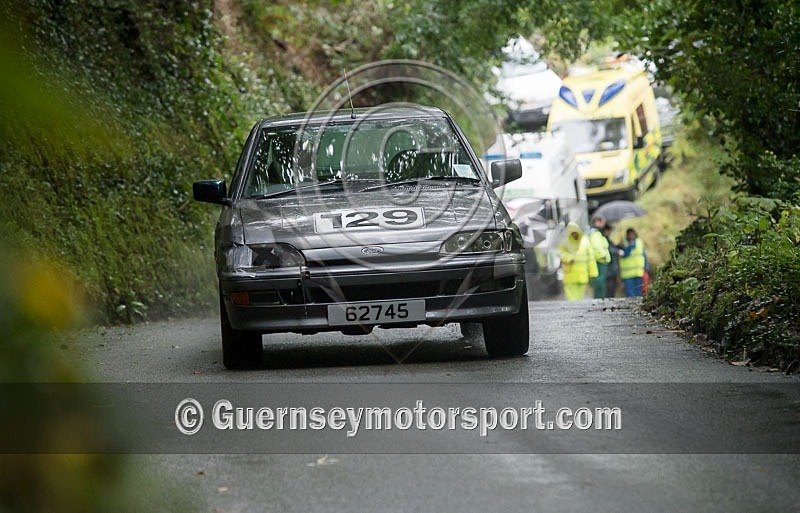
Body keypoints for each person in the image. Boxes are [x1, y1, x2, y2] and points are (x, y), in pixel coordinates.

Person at [557, 222, 598, 300]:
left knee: (579, 298)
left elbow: (591, 258)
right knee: (571, 298)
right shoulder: (565, 242)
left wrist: (593, 273)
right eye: (572, 233)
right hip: (570, 276)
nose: (574, 235)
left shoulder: (585, 241)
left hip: (582, 275)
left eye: (575, 232)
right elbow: (560, 253)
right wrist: (568, 257)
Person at [587, 215, 611, 298]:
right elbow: (597, 247)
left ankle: (600, 298)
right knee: (599, 283)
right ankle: (599, 299)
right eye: (602, 222)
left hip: (601, 261)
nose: (604, 224)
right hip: (600, 261)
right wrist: (602, 256)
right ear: (597, 221)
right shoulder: (595, 234)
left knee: (601, 282)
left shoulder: (597, 233)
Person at [618, 228, 646, 297]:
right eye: (629, 234)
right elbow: (624, 254)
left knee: (638, 292)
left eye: (632, 234)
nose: (631, 236)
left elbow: (644, 255)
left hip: (638, 272)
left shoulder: (639, 242)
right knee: (630, 293)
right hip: (628, 274)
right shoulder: (623, 243)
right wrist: (629, 246)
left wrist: (646, 267)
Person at [603, 224, 620, 297]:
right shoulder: (604, 240)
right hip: (609, 268)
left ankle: (610, 297)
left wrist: (619, 246)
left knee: (612, 286)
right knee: (609, 286)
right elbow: (609, 249)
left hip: (613, 268)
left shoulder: (609, 240)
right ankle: (608, 298)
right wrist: (617, 251)